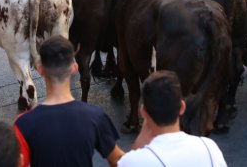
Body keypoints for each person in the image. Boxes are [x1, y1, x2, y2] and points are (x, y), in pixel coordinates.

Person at [14, 36, 124, 166]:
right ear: (75, 68)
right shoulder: (95, 116)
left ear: (40, 69)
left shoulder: (23, 124)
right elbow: (119, 161)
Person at [118, 70, 227, 167]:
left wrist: (141, 137)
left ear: (142, 112)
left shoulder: (132, 161)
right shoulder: (210, 149)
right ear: (182, 107)